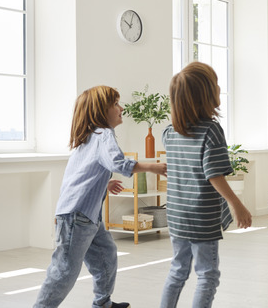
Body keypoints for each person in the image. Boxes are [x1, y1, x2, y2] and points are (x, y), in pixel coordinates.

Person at [34, 85, 168, 308]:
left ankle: (103, 303)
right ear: (100, 110)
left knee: (106, 254)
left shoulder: (88, 137)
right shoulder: (103, 134)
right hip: (78, 217)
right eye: (115, 104)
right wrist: (151, 167)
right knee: (64, 270)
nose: (121, 108)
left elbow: (80, 175)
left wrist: (104, 183)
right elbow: (117, 162)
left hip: (87, 216)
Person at [160, 62, 253, 308]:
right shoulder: (211, 130)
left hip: (177, 214)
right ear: (205, 95)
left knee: (178, 270)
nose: (220, 87)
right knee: (207, 274)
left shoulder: (169, 133)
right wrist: (237, 205)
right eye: (216, 84)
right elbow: (214, 175)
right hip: (201, 217)